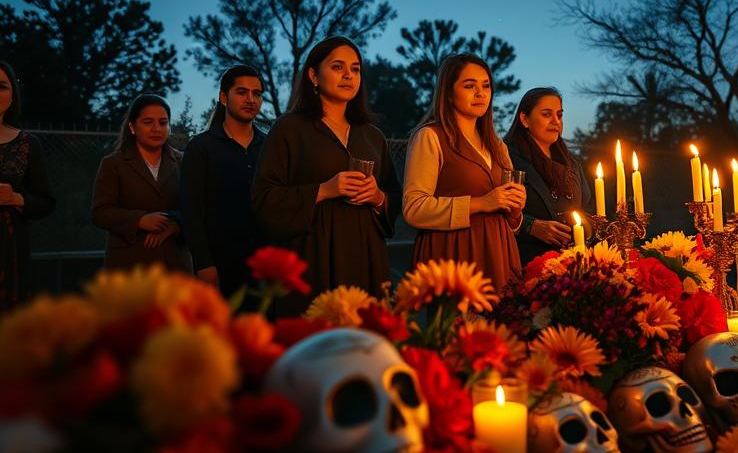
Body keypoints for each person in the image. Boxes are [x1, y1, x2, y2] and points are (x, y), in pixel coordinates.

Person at [252, 36, 400, 316]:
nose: (348, 75)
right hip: (313, 259)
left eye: (355, 69)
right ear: (313, 75)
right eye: (337, 67)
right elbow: (263, 198)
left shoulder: (372, 135)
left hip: (365, 257)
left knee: (364, 345)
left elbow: (396, 198)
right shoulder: (289, 129)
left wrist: (378, 197)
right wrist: (323, 190)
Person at [403, 53, 525, 291]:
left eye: (486, 86)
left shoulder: (498, 146)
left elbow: (512, 224)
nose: (481, 93)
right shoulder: (431, 136)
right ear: (448, 93)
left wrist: (516, 212)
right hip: (454, 254)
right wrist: (481, 203)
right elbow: (414, 209)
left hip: (499, 254)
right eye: (470, 86)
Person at [179, 65, 267, 300]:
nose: (250, 99)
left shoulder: (270, 147)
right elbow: (191, 211)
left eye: (257, 93)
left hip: (265, 268)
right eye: (242, 92)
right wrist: (204, 265)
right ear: (223, 97)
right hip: (220, 267)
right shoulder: (201, 147)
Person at [92, 94, 191, 272]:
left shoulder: (183, 162)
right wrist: (139, 220)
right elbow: (100, 212)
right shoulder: (113, 163)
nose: (156, 128)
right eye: (148, 122)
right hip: (130, 266)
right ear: (132, 127)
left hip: (174, 265)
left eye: (162, 122)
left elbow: (197, 207)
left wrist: (176, 226)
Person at [504, 87, 594, 264]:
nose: (556, 121)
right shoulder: (507, 159)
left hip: (573, 263)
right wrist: (531, 226)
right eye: (546, 115)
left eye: (559, 115)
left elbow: (590, 209)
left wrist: (584, 229)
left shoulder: (572, 165)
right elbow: (499, 213)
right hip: (527, 263)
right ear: (524, 119)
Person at [0, 61, 55, 309]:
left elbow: (46, 202)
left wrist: (16, 199)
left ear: (13, 95)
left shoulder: (27, 144)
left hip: (9, 256)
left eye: (1, 86)